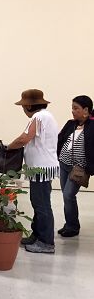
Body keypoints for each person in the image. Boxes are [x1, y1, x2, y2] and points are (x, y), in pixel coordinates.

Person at [8, 89, 59, 254]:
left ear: (29, 105)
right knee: (39, 203)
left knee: (42, 205)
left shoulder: (39, 117)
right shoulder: (46, 116)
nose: (23, 109)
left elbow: (24, 138)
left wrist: (7, 148)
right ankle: (36, 235)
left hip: (41, 168)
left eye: (24, 106)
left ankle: (46, 242)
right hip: (41, 168)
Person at [57, 95, 94, 237]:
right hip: (64, 164)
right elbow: (60, 139)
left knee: (68, 195)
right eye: (72, 107)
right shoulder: (70, 124)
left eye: (76, 108)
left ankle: (73, 227)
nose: (72, 111)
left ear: (85, 109)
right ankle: (69, 224)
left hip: (79, 168)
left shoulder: (92, 126)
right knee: (67, 196)